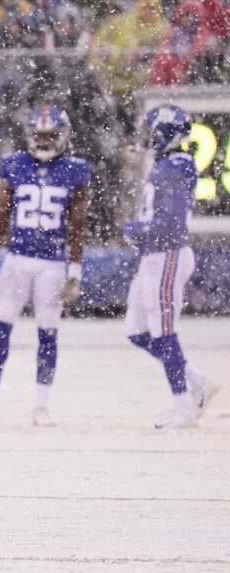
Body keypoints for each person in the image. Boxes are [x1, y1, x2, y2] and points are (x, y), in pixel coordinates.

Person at [0, 106, 92, 427]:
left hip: (52, 265)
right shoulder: (15, 166)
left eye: (50, 135)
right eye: (39, 135)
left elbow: (77, 226)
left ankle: (41, 405)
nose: (43, 141)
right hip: (16, 260)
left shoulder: (74, 171)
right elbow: (0, 219)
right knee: (1, 330)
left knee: (48, 333)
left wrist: (74, 271)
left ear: (62, 136)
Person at [123, 104, 220, 429]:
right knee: (137, 332)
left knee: (164, 332)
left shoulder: (179, 164)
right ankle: (197, 381)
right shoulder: (165, 163)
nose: (148, 138)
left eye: (152, 131)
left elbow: (172, 225)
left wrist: (137, 230)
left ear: (166, 132)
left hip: (168, 255)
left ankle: (183, 409)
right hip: (153, 256)